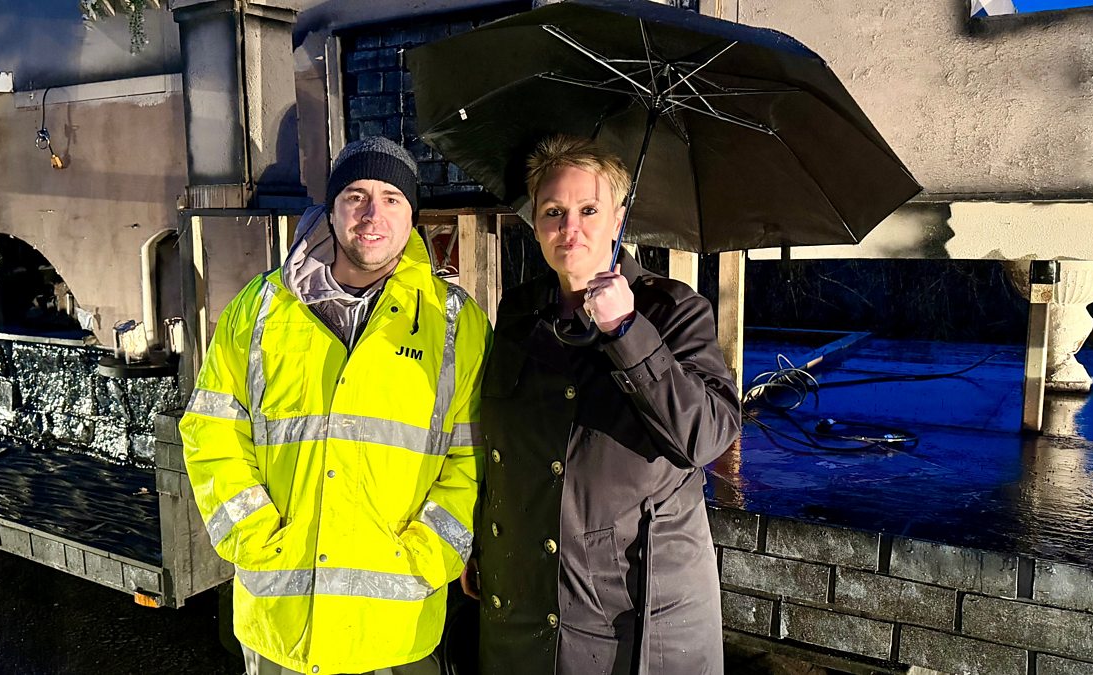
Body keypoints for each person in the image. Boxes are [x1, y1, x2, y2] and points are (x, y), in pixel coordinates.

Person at [180, 136, 491, 675]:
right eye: (356, 196)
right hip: (281, 626)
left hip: (396, 630)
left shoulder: (454, 324)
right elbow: (211, 432)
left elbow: (473, 459)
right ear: (331, 209)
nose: (372, 215)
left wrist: (424, 556)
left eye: (392, 198)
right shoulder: (260, 309)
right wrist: (255, 538)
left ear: (412, 216)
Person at [473, 135, 742, 675]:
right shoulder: (520, 311)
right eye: (553, 212)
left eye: (589, 210)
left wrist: (626, 329)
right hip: (522, 605)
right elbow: (501, 444)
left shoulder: (673, 310)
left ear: (619, 218)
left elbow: (706, 437)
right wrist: (482, 539)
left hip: (635, 620)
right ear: (535, 223)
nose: (570, 228)